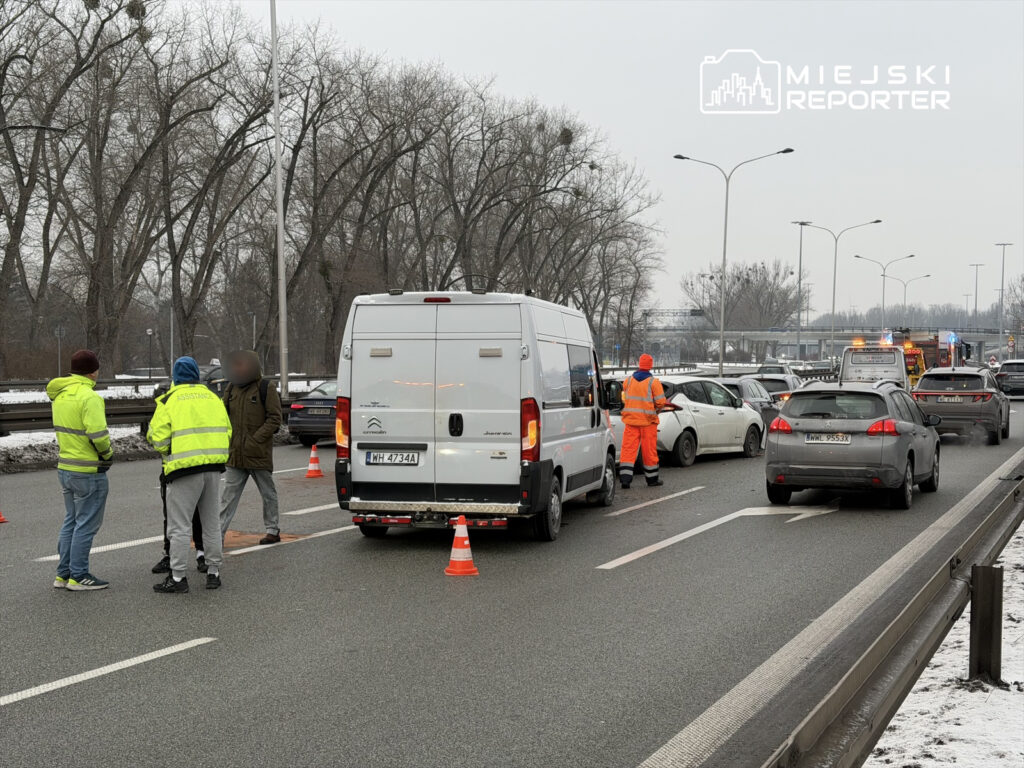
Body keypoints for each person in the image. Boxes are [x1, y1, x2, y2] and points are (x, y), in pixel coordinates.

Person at [147, 356, 231, 593]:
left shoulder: (169, 400)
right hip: (213, 468)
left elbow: (158, 438)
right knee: (211, 522)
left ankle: (177, 578)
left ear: (175, 376)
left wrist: (169, 452)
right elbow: (227, 431)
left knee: (180, 526)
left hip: (183, 469)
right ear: (197, 375)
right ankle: (214, 572)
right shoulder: (214, 399)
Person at [48, 350, 114, 591]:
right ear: (93, 371)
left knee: (71, 521)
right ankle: (79, 575)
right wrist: (107, 454)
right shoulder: (90, 397)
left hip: (66, 466)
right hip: (88, 470)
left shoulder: (61, 394)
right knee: (86, 524)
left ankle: (63, 574)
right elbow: (98, 434)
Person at [219, 350, 283, 545]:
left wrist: (255, 439)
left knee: (267, 493)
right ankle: (218, 535)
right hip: (235, 455)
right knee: (228, 497)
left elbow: (275, 419)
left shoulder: (265, 387)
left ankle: (272, 530)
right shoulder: (231, 388)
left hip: (257, 454)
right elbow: (222, 415)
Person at [618, 353, 666, 489]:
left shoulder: (628, 381)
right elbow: (661, 402)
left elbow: (624, 399)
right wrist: (655, 411)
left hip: (631, 422)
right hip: (648, 422)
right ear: (650, 366)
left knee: (628, 450)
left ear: (639, 364)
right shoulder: (654, 382)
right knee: (649, 451)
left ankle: (625, 480)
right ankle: (652, 480)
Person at [151, 474, 207, 575]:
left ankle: (201, 554)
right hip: (171, 472)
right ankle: (169, 555)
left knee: (198, 514)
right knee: (170, 515)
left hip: (196, 469)